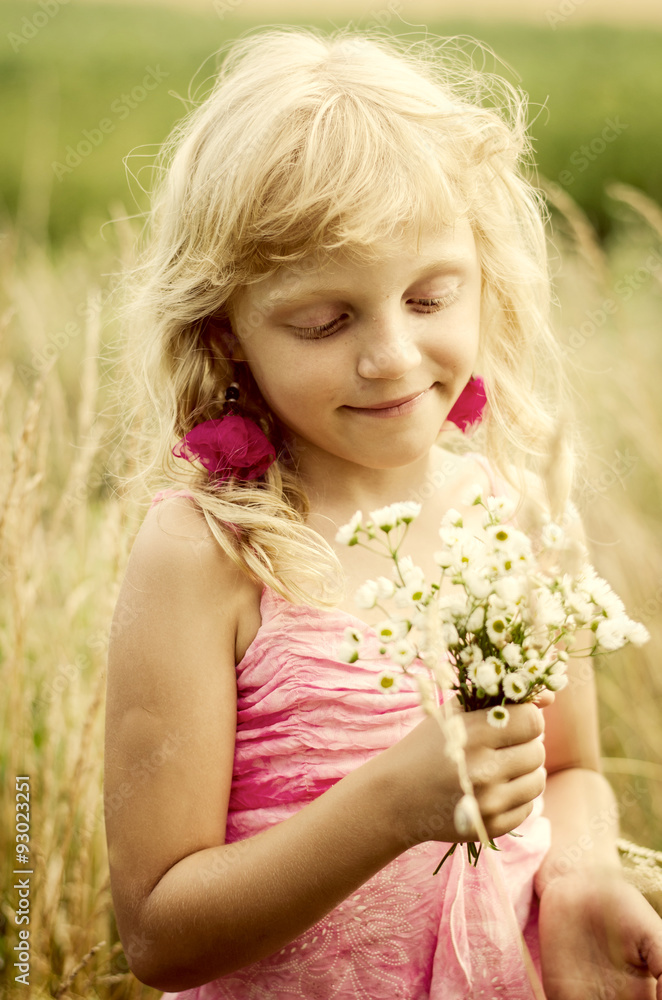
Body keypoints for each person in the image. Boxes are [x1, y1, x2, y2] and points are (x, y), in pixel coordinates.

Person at [103, 25, 662, 999]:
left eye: (429, 295)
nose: (394, 356)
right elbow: (157, 929)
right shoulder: (208, 553)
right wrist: (388, 806)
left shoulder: (510, 511)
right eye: (325, 320)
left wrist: (579, 876)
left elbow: (567, 766)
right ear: (227, 333)